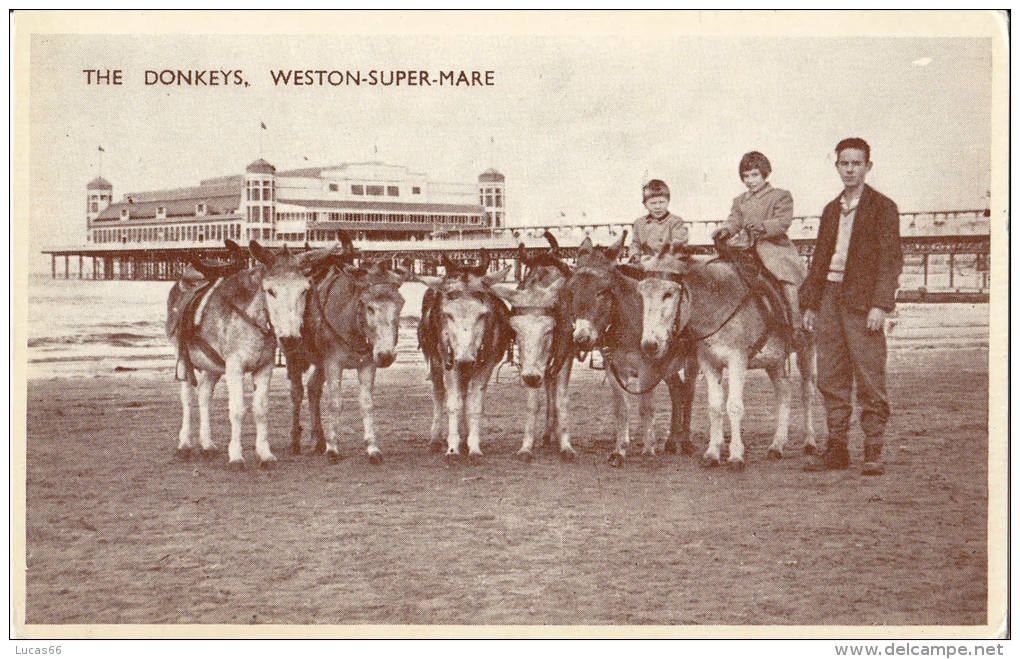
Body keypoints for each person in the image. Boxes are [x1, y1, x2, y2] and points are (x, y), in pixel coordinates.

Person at [801, 138, 903, 475]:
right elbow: (819, 260)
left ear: (868, 167)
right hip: (829, 297)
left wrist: (880, 305)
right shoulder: (832, 210)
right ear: (836, 166)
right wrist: (811, 305)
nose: (849, 169)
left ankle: (873, 449)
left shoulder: (883, 207)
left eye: (856, 163)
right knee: (830, 374)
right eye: (844, 163)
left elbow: (890, 261)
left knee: (869, 373)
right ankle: (837, 448)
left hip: (863, 300)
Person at [712, 151, 807, 334]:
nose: (750, 180)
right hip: (744, 246)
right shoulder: (739, 201)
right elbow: (734, 221)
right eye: (745, 176)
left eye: (754, 175)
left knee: (785, 279)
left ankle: (796, 325)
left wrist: (761, 226)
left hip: (773, 248)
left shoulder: (780, 196)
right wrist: (726, 230)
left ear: (765, 174)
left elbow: (782, 222)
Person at [631, 179, 688, 258]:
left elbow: (678, 245)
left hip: (668, 263)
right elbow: (635, 244)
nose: (657, 207)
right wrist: (635, 255)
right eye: (653, 203)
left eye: (661, 202)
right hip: (646, 263)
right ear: (645, 204)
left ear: (668, 201)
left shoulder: (676, 222)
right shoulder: (639, 223)